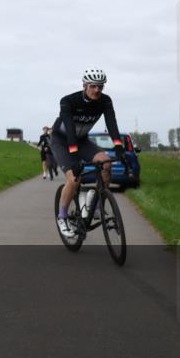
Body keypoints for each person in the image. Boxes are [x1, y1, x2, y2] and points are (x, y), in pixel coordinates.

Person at [48, 69, 126, 239]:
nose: (97, 90)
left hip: (82, 140)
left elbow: (111, 123)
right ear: (84, 86)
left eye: (100, 87)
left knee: (106, 162)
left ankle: (95, 204)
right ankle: (62, 217)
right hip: (62, 140)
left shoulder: (105, 101)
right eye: (93, 86)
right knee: (74, 179)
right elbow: (69, 128)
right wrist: (74, 156)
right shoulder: (68, 101)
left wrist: (119, 146)